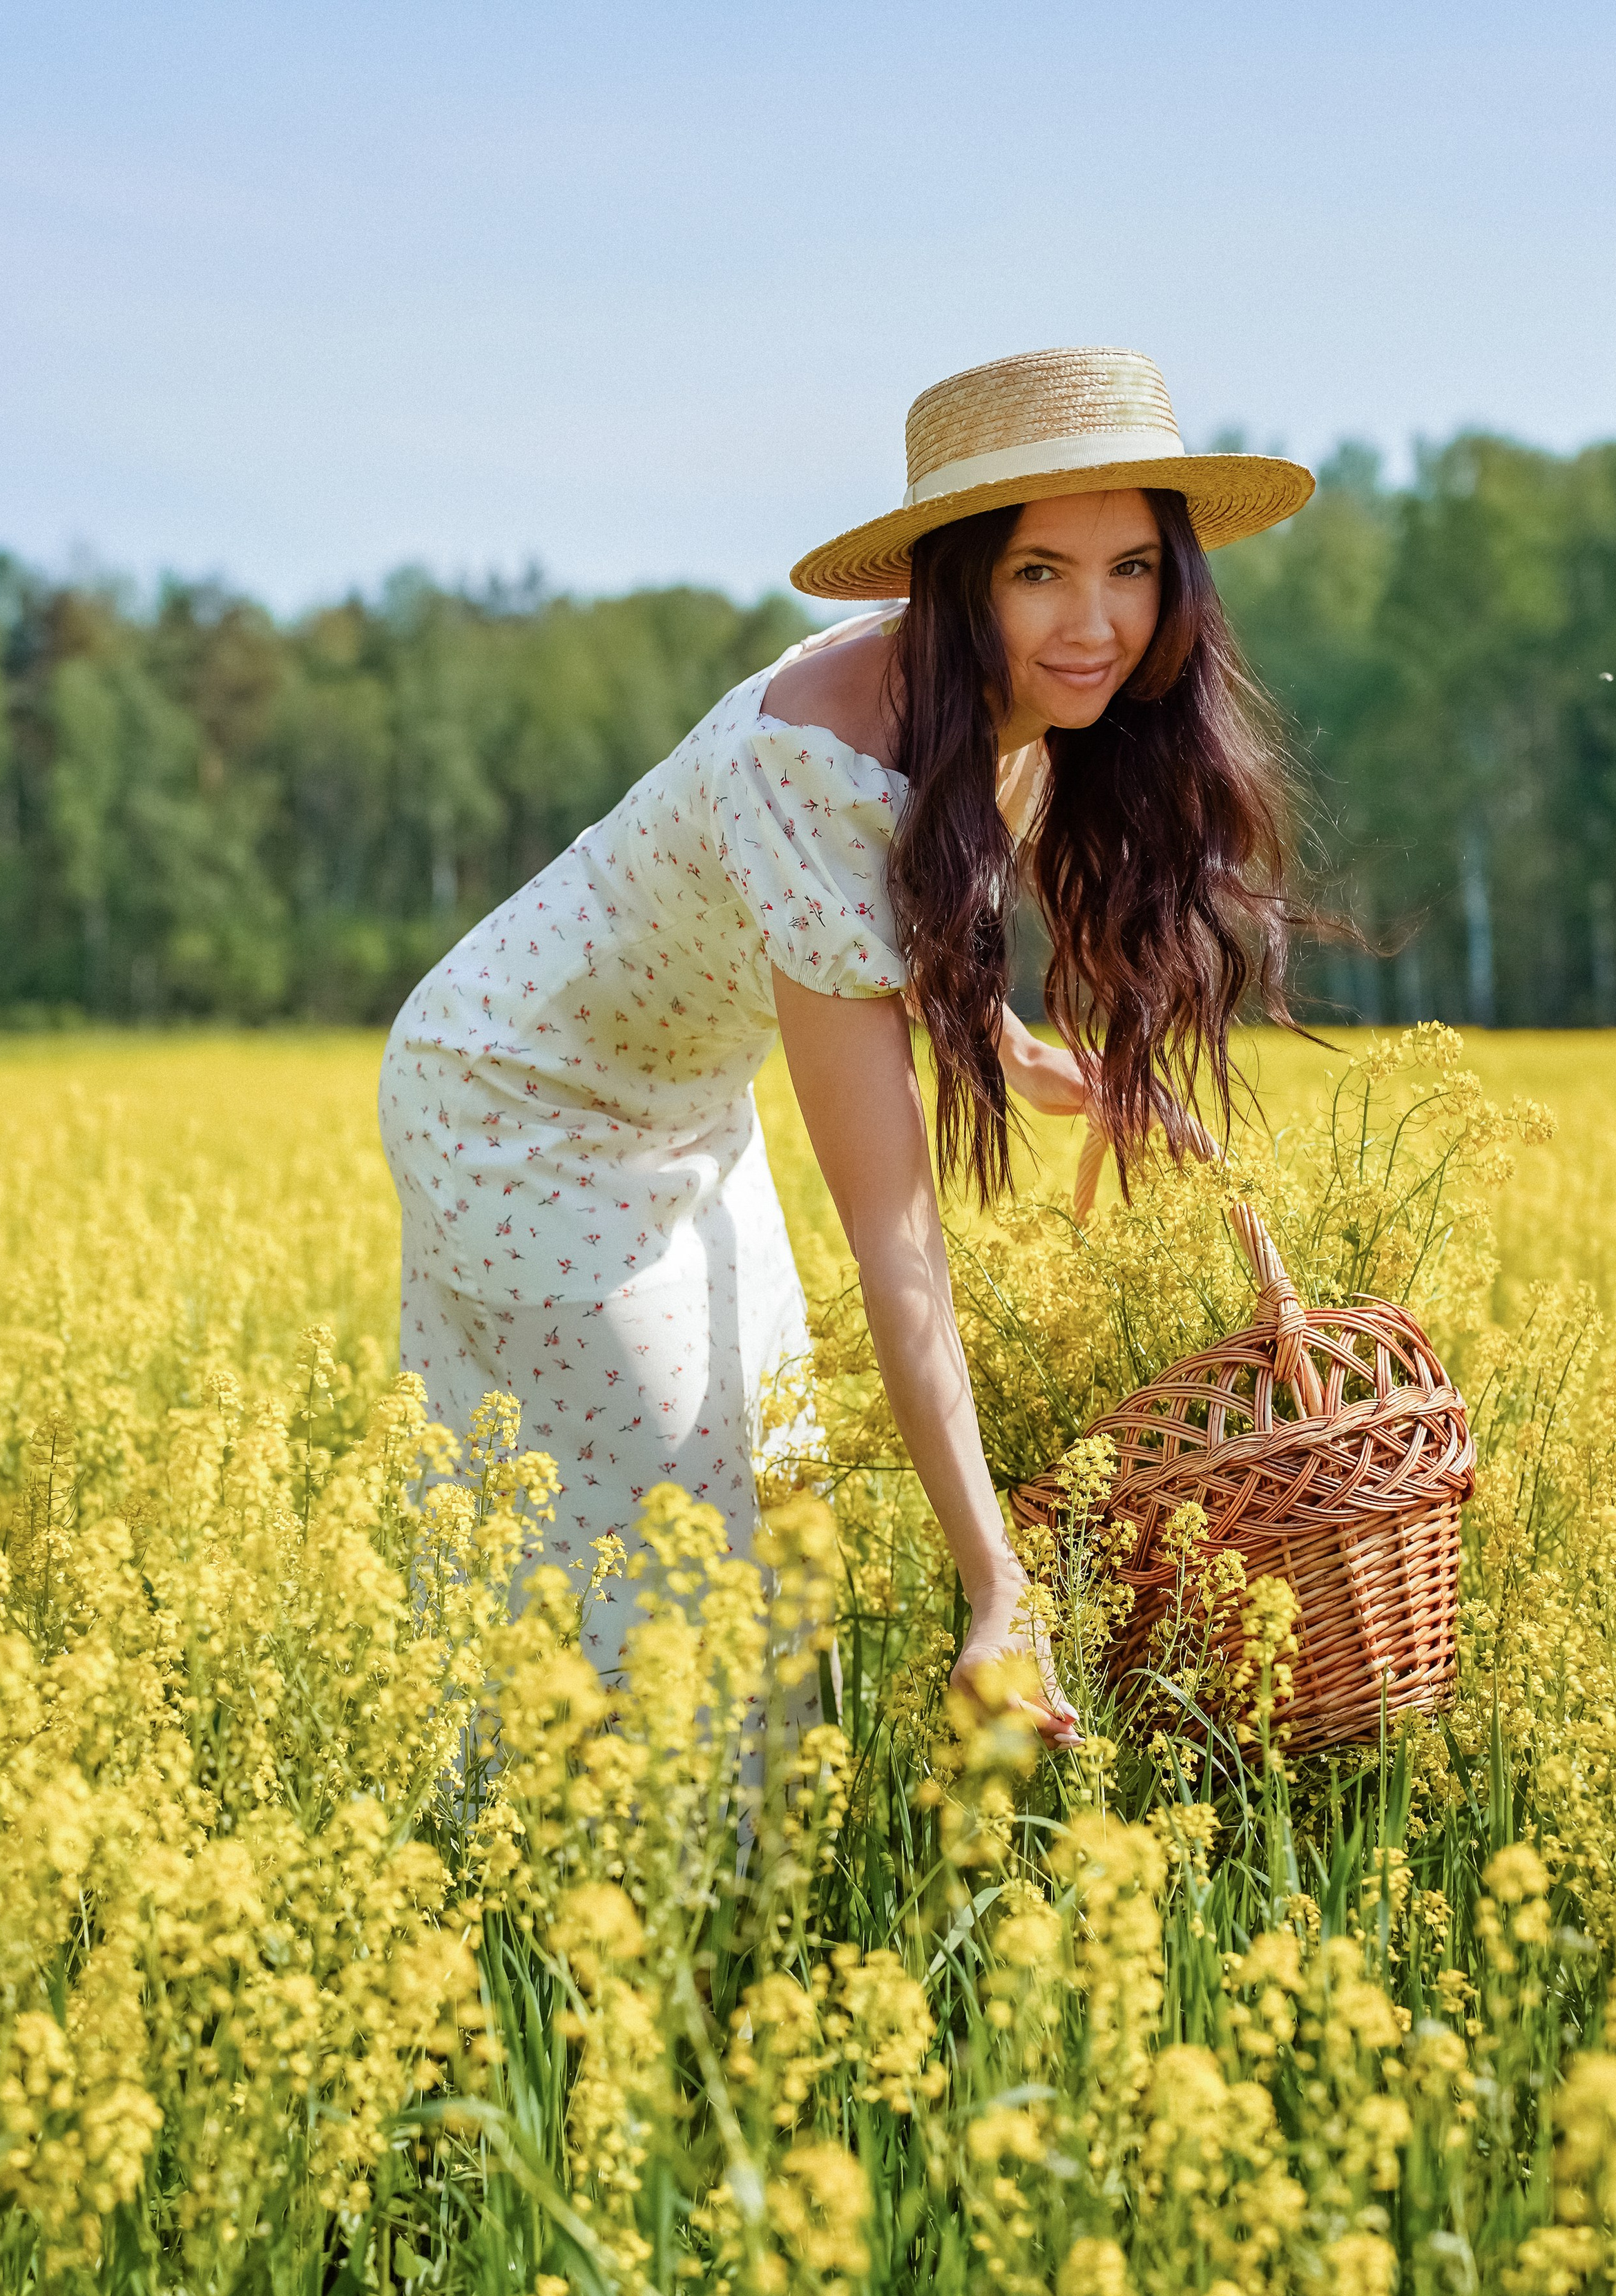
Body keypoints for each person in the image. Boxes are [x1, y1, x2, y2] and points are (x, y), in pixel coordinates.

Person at [378, 345, 1312, 1739]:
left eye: (1127, 566)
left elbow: (902, 926)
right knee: (671, 1574)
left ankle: (683, 1883)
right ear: (956, 579)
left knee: (774, 1517)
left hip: (680, 1105)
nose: (1092, 621)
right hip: (520, 1109)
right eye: (1036, 570)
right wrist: (995, 1584)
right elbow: (895, 1234)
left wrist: (1033, 1060)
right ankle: (579, 1899)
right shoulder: (807, 768)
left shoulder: (1004, 710)